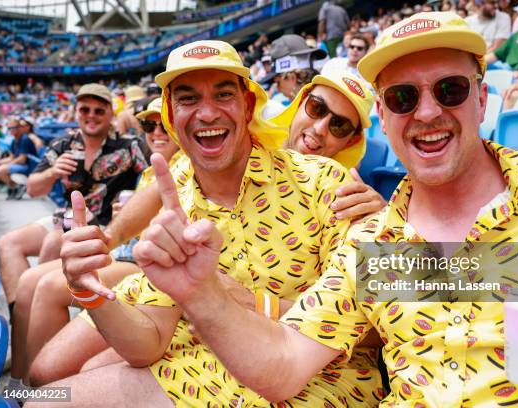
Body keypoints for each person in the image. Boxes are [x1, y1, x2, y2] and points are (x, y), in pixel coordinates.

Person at [51, 12, 518, 407]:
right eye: (403, 98)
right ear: (386, 120)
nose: (428, 111)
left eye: (452, 88)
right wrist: (194, 295)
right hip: (214, 358)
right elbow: (286, 362)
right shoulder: (381, 250)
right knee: (45, 383)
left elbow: (501, 273)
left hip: (310, 385)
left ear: (483, 97)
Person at [35, 40, 384, 406]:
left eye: (450, 91)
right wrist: (89, 289)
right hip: (203, 363)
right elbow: (150, 341)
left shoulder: (337, 186)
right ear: (170, 113)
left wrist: (255, 304)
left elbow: (400, 312)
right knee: (42, 392)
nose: (206, 114)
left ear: (247, 105)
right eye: (188, 98)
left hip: (320, 381)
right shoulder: (181, 192)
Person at [5, 83, 149, 391]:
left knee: (54, 244)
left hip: (108, 223)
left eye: (100, 110)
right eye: (85, 109)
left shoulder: (129, 145)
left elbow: (153, 179)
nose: (92, 116)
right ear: (76, 111)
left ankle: (39, 327)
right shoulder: (63, 143)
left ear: (111, 113)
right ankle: (20, 353)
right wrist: (53, 172)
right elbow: (33, 188)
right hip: (66, 216)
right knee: (8, 243)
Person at [0, 118, 38, 199]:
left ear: (19, 127)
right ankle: (15, 187)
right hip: (21, 164)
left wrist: (4, 164)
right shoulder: (14, 140)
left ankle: (16, 187)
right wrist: (0, 161)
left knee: (2, 169)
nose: (11, 130)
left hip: (30, 166)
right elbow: (12, 157)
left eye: (13, 127)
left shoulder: (24, 139)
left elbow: (22, 159)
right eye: (9, 128)